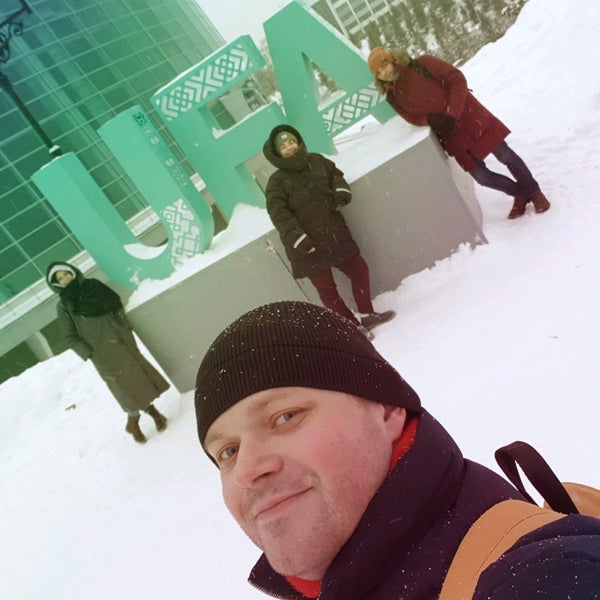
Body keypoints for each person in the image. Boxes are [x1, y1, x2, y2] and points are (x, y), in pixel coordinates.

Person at [194, 300, 600, 599]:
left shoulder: (545, 576)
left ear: (387, 410)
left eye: (286, 417)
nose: (246, 469)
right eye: (227, 452)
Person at [367, 46, 551, 220]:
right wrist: (430, 119)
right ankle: (520, 193)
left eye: (384, 64)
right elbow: (411, 117)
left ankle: (534, 192)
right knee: (482, 177)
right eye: (379, 72)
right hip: (450, 135)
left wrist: (452, 113)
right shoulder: (392, 97)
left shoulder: (422, 63)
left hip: (469, 116)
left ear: (393, 59)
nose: (384, 72)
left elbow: (456, 78)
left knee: (505, 155)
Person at [263, 124, 395, 338]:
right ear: (278, 153)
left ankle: (367, 314)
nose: (289, 148)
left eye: (291, 142)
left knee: (359, 269)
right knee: (328, 290)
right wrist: (300, 240)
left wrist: (340, 192)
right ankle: (353, 328)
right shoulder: (276, 183)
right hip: (306, 247)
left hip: (332, 235)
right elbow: (279, 215)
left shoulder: (317, 161)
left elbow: (336, 176)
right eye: (283, 146)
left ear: (298, 142)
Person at [46, 262, 170, 444]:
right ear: (56, 284)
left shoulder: (93, 285)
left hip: (121, 341)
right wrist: (90, 353)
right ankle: (140, 419)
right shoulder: (64, 306)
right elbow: (70, 337)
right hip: (103, 354)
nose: (65, 279)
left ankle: (145, 418)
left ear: (73, 272)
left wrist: (123, 326)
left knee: (139, 380)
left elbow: (115, 303)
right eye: (60, 278)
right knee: (126, 389)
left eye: (66, 274)